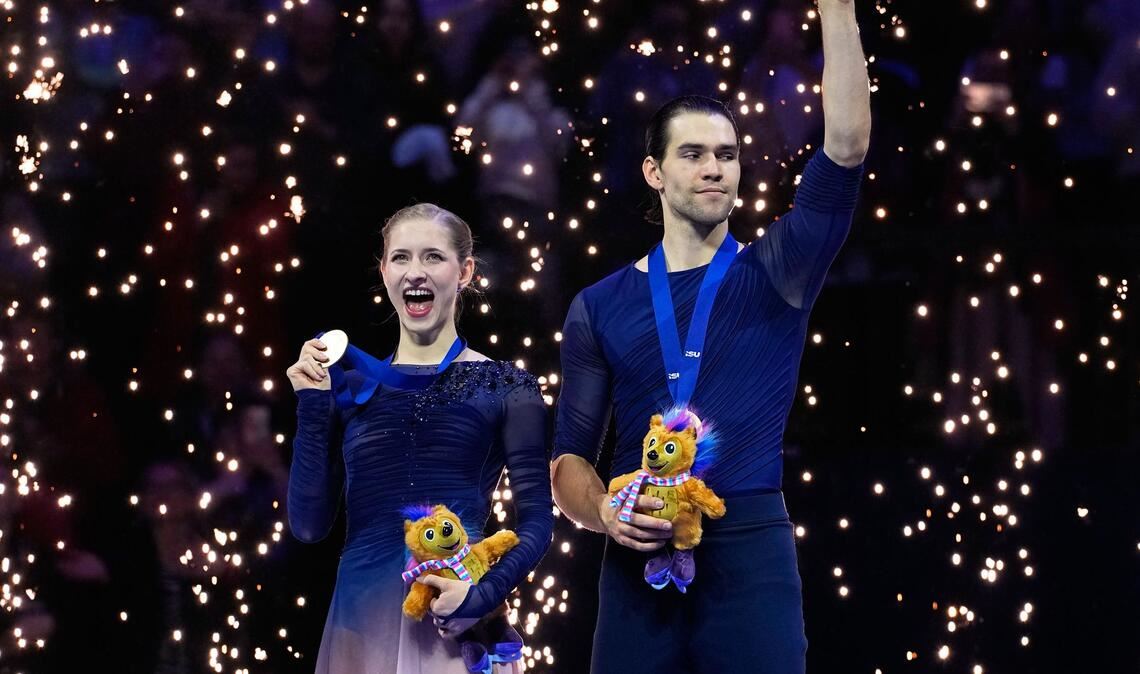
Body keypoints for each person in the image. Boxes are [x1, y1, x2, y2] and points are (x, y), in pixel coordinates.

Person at [549, 0, 871, 671]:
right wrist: (606, 512)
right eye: (692, 155)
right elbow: (568, 461)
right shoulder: (598, 306)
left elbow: (845, 148)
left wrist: (836, 9)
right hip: (637, 549)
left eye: (726, 155)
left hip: (750, 551)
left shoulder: (778, 271)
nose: (714, 169)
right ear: (654, 172)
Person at [286, 203, 553, 673]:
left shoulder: (506, 385)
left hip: (454, 619)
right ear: (384, 271)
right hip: (359, 624)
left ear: (464, 271)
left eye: (433, 257)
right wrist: (311, 403)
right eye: (401, 258)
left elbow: (536, 523)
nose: (415, 272)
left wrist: (481, 595)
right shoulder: (352, 387)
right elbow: (308, 527)